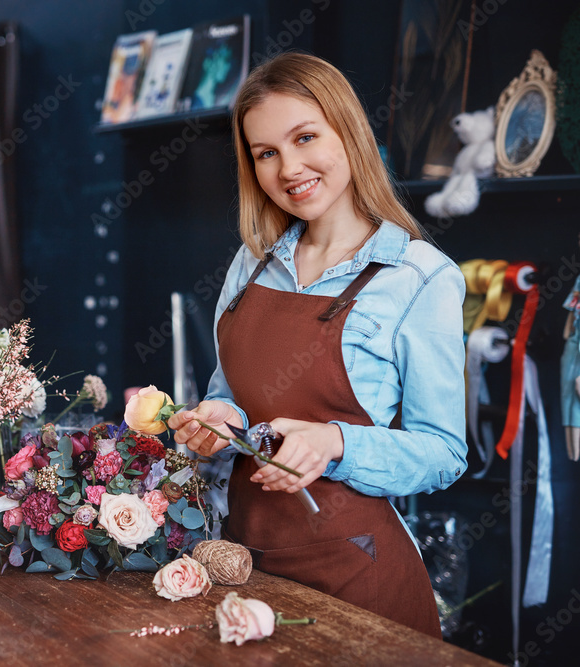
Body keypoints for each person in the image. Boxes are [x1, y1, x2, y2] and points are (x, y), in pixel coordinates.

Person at [168, 52, 467, 638]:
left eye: (305, 137)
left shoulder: (420, 278)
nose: (289, 168)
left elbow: (444, 453)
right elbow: (231, 397)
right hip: (243, 564)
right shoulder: (252, 264)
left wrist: (334, 442)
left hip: (360, 577)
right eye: (266, 153)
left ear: (348, 133)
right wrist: (218, 422)